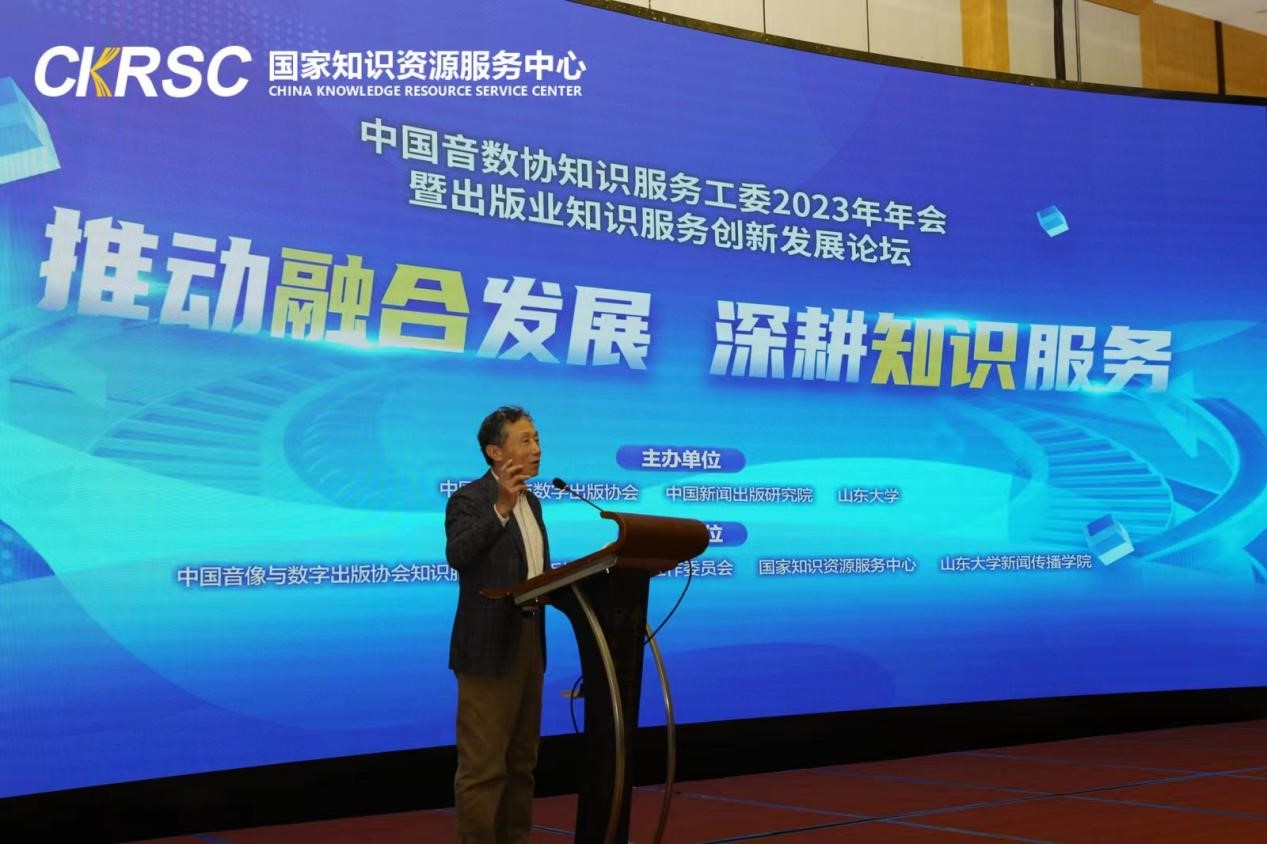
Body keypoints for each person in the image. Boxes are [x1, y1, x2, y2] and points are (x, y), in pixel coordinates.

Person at [446, 406, 549, 844]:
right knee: (484, 766)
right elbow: (459, 555)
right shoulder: (469, 499)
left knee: (522, 762)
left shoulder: (534, 501)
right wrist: (501, 508)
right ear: (494, 451)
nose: (537, 448)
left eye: (537, 438)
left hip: (530, 638)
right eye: (525, 440)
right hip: (488, 648)